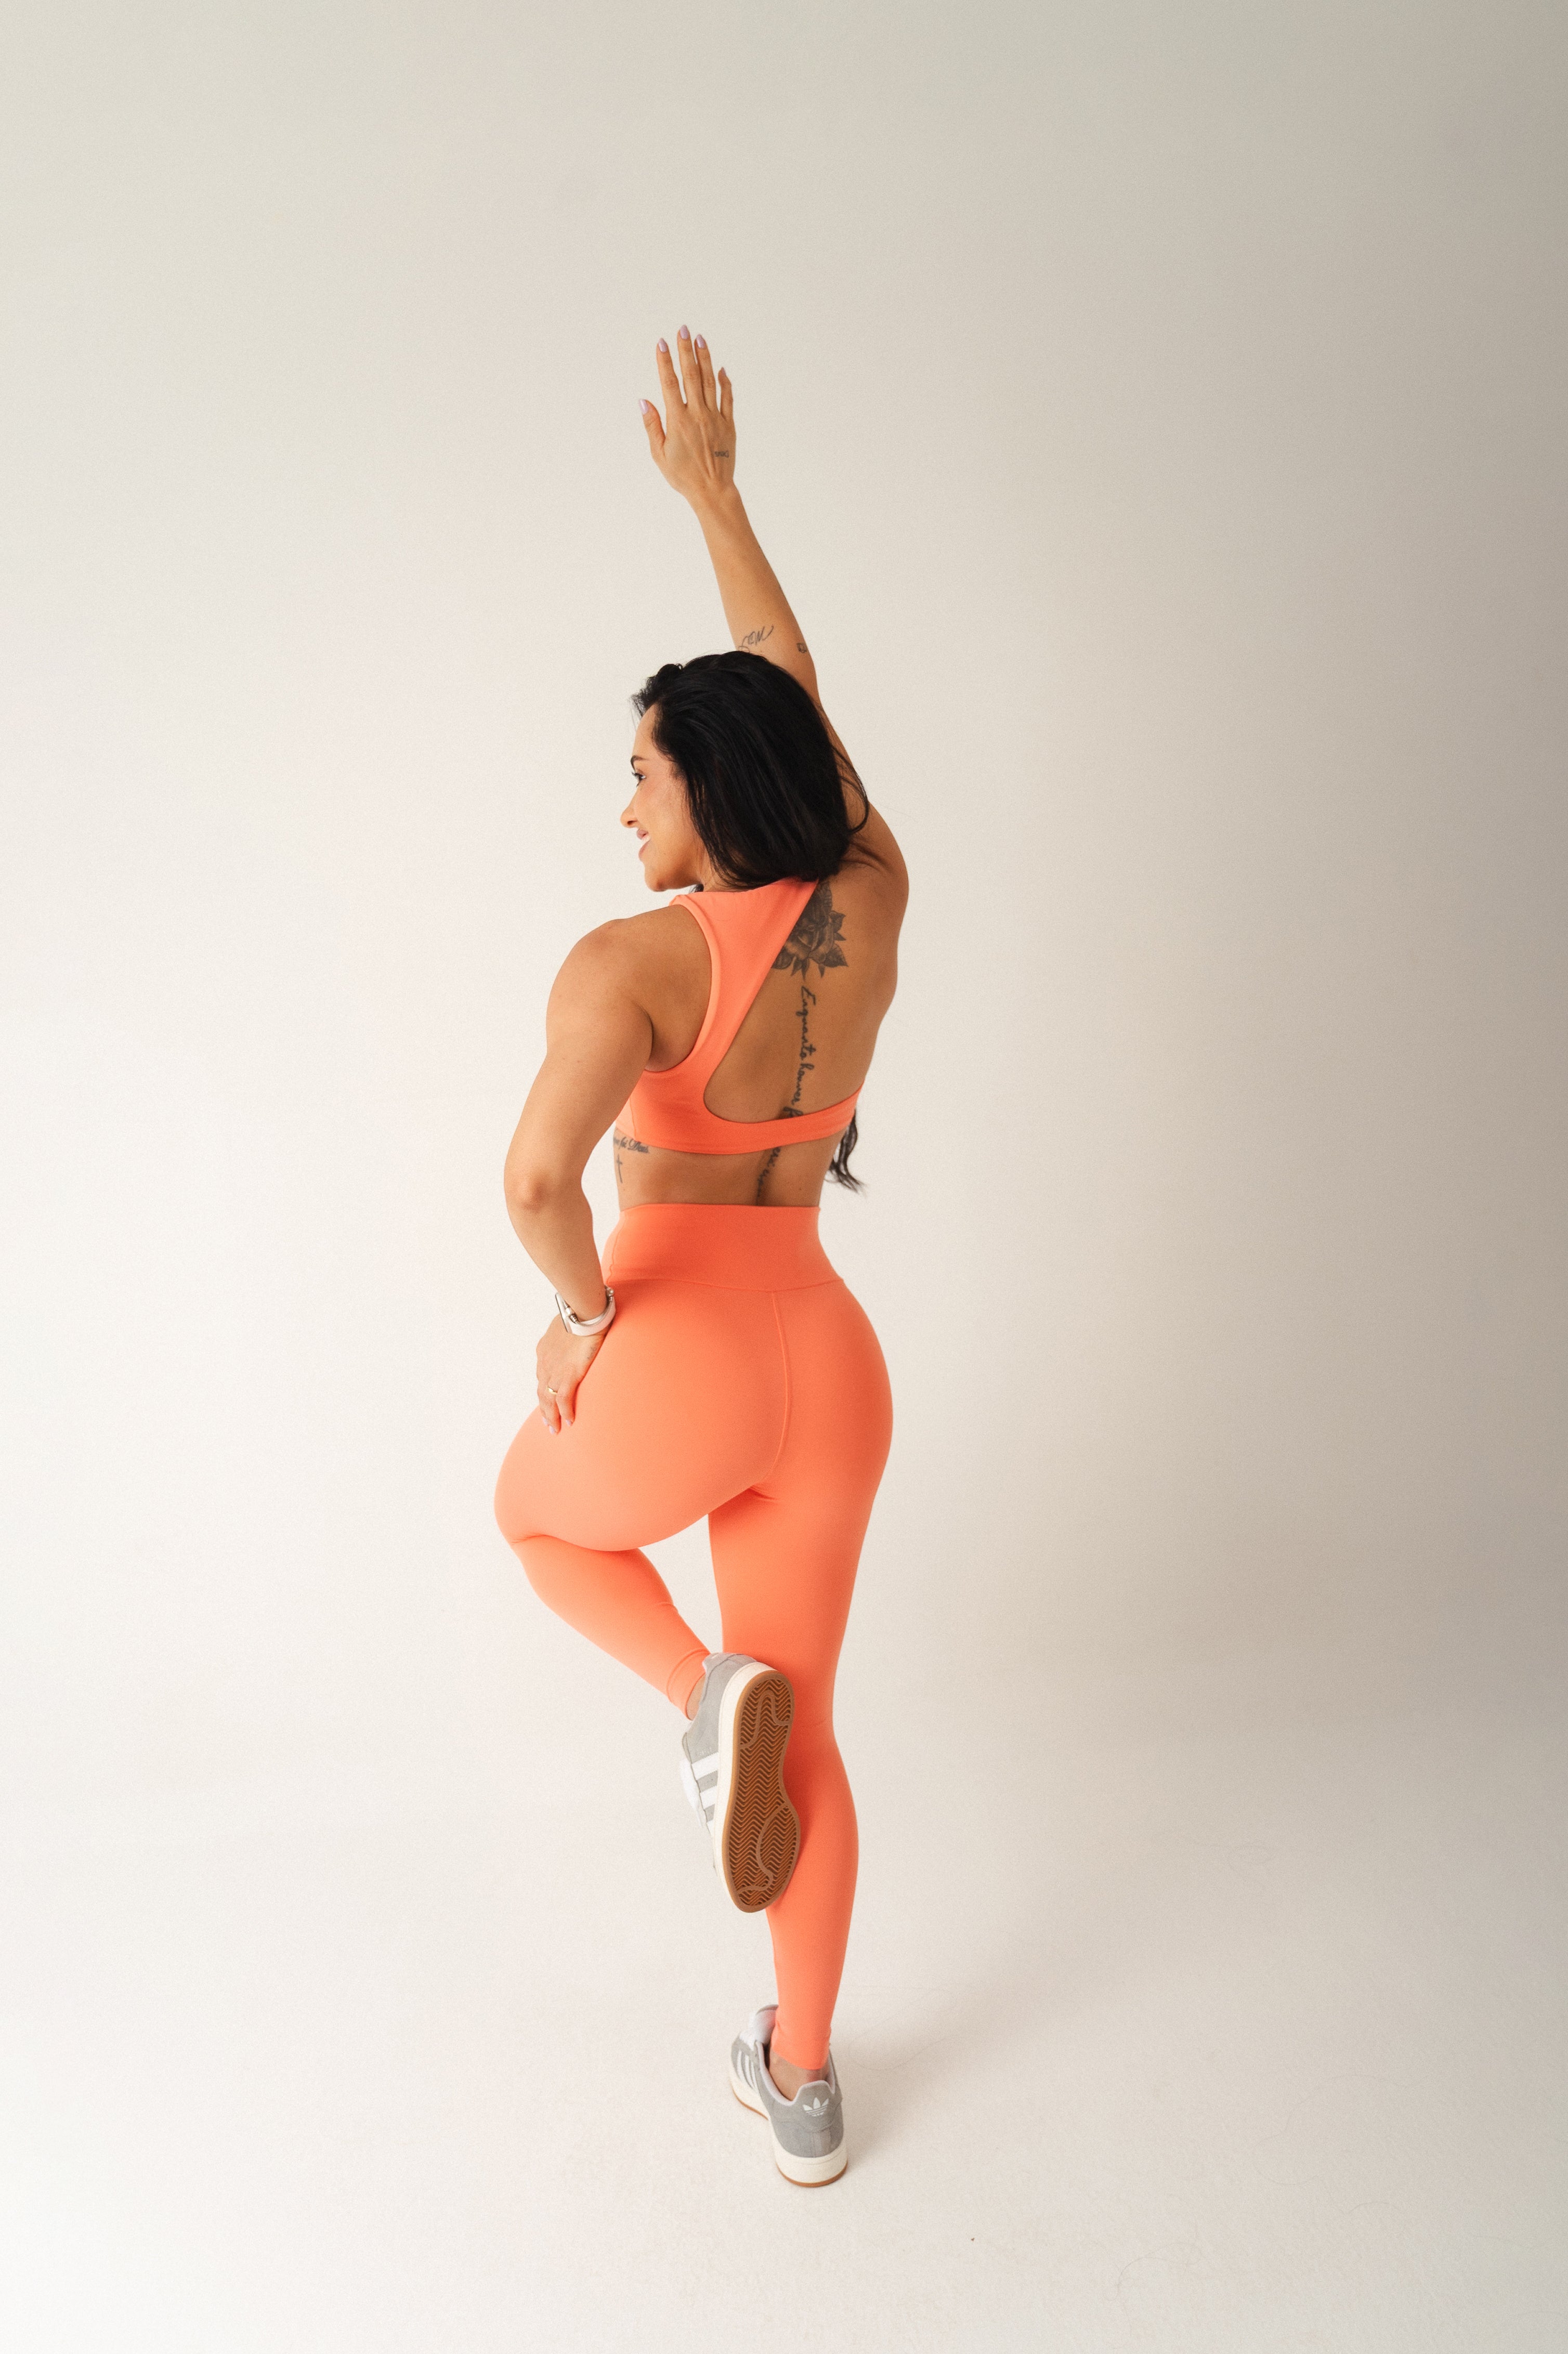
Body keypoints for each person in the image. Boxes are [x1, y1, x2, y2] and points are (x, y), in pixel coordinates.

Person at [492, 325, 908, 2187]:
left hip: (684, 1341)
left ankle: (692, 1697)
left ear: (708, 790)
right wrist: (721, 501)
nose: (627, 806)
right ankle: (803, 2085)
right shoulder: (873, 900)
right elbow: (795, 701)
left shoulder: (631, 962)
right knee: (807, 1736)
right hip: (832, 1355)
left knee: (537, 1520)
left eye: (644, 774)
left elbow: (534, 1179)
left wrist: (581, 1317)